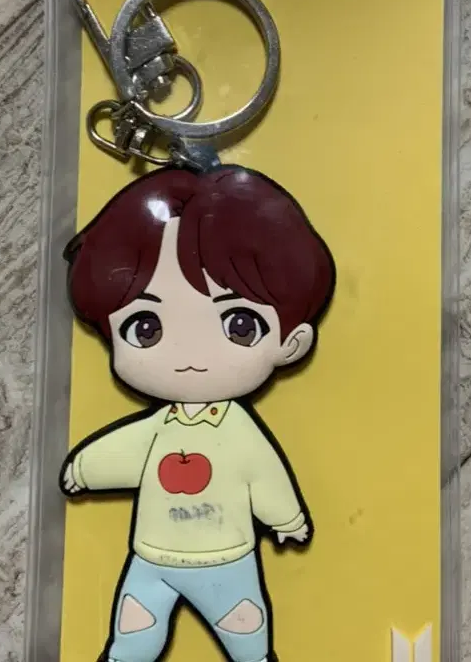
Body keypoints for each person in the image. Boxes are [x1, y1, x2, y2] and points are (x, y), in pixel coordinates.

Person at [60, 165, 335, 662]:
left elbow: (263, 471)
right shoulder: (158, 428)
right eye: (146, 326)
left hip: (228, 561)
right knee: (133, 640)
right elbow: (126, 450)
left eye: (239, 324)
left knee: (247, 640)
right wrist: (83, 469)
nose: (189, 352)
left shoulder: (239, 431)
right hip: (151, 560)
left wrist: (287, 517)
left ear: (291, 343)